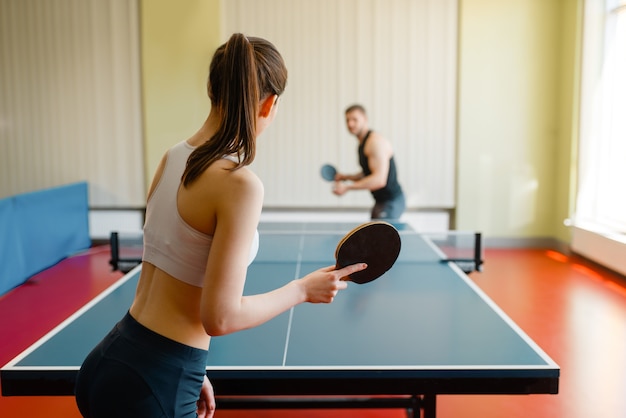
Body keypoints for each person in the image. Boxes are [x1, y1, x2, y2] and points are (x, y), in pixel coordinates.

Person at [74, 33, 366, 418]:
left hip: (112, 358)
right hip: (156, 383)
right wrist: (301, 289)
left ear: (211, 88)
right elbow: (220, 316)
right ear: (270, 104)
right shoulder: (240, 185)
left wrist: (192, 370)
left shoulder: (172, 157)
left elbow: (170, 268)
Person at [332, 104, 406, 220]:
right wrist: (346, 177)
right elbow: (369, 172)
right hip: (381, 201)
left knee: (381, 236)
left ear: (365, 119)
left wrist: (347, 187)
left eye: (355, 120)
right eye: (347, 120)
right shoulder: (363, 143)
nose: (350, 124)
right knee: (373, 233)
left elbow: (379, 180)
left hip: (392, 201)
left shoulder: (375, 143)